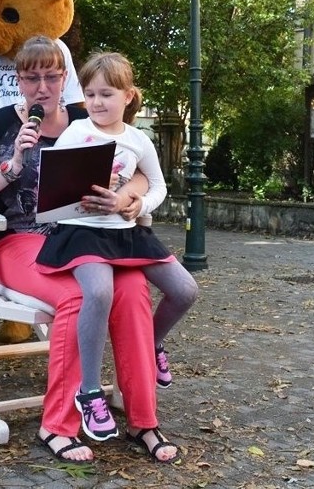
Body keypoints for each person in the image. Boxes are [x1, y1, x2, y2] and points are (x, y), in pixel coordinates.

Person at [0, 35, 181, 464]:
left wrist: (127, 197)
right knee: (78, 296)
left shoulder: (89, 117)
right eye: (31, 77)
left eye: (51, 77)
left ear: (64, 78)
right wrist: (10, 167)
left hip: (89, 239)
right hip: (18, 242)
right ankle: (56, 424)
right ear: (18, 79)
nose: (42, 87)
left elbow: (142, 174)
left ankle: (142, 419)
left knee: (132, 291)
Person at [35, 52, 197, 441]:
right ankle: (89, 390)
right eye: (89, 94)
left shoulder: (139, 140)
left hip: (125, 231)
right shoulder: (76, 133)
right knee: (100, 291)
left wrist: (137, 203)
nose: (96, 103)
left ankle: (154, 344)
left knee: (186, 290)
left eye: (106, 94)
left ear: (128, 96)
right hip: (82, 231)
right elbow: (53, 186)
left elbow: (158, 186)